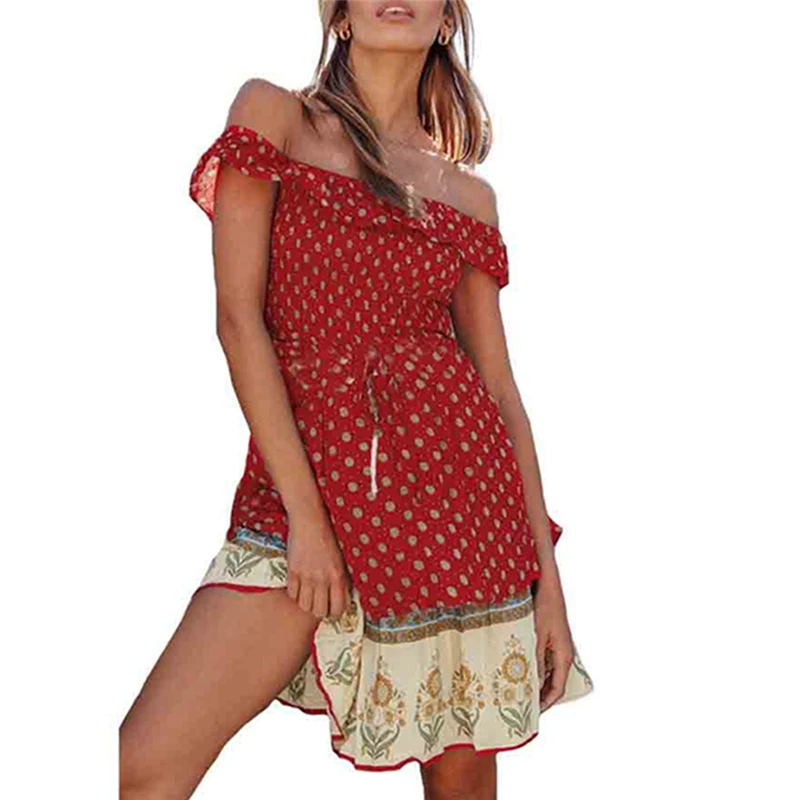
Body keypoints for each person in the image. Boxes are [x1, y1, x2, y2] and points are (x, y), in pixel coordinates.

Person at [119, 1, 593, 797]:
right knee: (143, 766)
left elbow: (499, 391)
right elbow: (239, 322)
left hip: (455, 512)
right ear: (338, 12)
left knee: (462, 792)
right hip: (307, 493)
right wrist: (307, 520)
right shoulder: (274, 117)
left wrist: (550, 583)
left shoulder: (467, 198)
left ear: (447, 17)